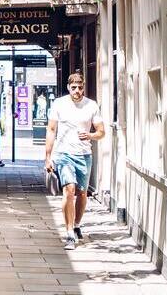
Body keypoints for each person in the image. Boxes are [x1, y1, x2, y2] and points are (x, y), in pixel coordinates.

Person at [45, 71, 104, 250]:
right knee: (69, 190)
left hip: (84, 155)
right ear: (68, 88)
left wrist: (91, 135)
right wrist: (48, 157)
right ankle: (69, 233)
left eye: (80, 87)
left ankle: (77, 223)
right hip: (64, 154)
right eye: (73, 88)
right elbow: (52, 130)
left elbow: (101, 132)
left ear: (83, 87)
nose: (77, 91)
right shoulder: (59, 104)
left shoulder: (91, 106)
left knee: (82, 193)